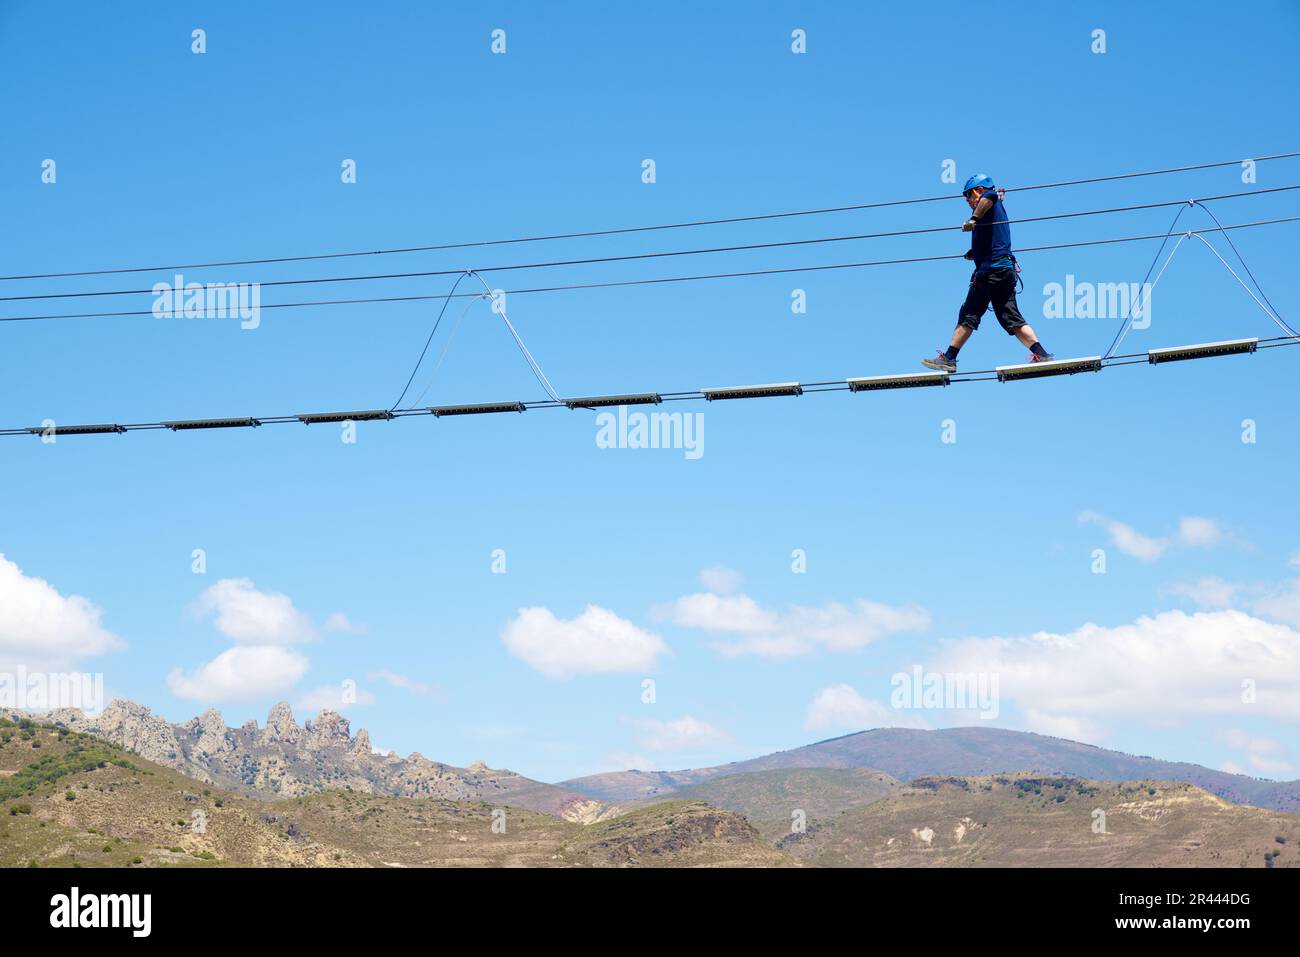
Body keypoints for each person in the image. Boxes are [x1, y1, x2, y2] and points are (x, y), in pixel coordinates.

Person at [922, 173, 1054, 372]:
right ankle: (1041, 354)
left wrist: (973, 219)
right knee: (1010, 317)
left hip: (991, 272)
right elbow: (993, 238)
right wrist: (975, 252)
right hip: (1003, 271)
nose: (968, 200)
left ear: (980, 190)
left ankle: (949, 358)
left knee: (969, 314)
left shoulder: (988, 199)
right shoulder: (991, 210)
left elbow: (988, 199)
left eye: (969, 195)